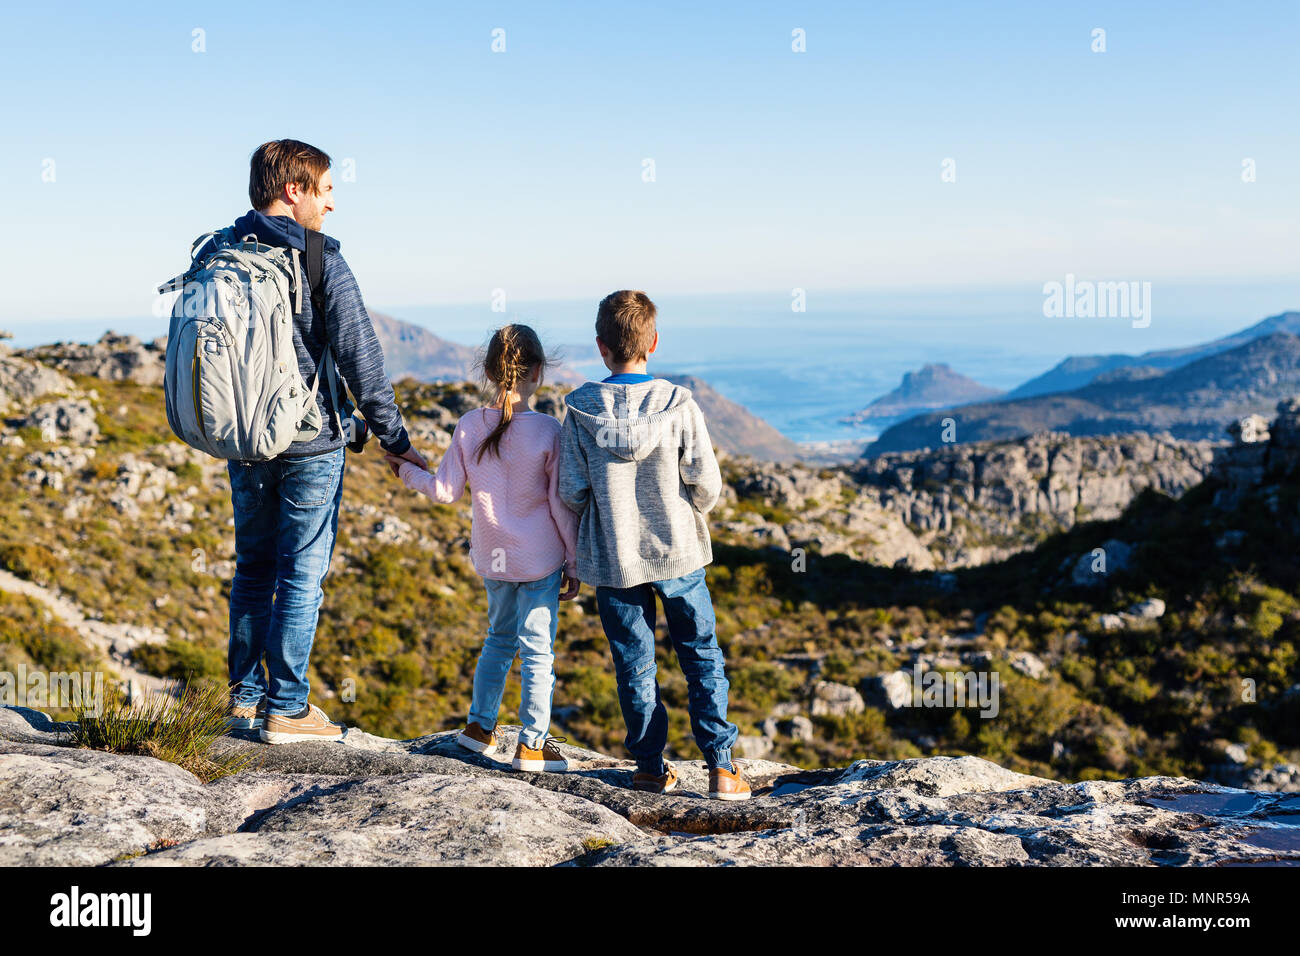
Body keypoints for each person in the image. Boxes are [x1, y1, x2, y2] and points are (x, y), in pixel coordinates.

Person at [222, 139, 427, 744]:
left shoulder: (221, 253)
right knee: (301, 573)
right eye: (327, 190)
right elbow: (363, 358)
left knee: (253, 569)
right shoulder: (319, 261)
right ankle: (287, 707)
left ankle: (243, 700)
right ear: (295, 190)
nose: (332, 205)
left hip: (244, 439)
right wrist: (395, 438)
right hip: (310, 443)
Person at [558, 290, 750, 800]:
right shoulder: (679, 404)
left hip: (616, 561)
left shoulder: (578, 411)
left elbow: (571, 490)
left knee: (634, 662)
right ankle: (722, 769)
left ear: (601, 346)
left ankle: (648, 767)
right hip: (679, 553)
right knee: (701, 655)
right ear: (654, 342)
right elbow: (706, 484)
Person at [387, 325, 579, 772]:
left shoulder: (470, 425)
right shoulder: (549, 430)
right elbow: (559, 503)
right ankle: (532, 744)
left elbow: (442, 491)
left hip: (494, 558)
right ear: (537, 372)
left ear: (491, 372)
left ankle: (478, 728)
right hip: (540, 560)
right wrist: (573, 560)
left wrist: (404, 472)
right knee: (537, 652)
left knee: (497, 640)